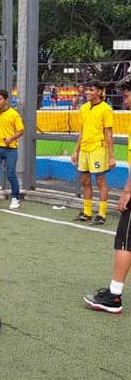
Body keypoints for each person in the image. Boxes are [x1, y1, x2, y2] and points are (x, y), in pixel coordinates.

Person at [83, 78, 131, 314]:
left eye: (127, 95)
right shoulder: (84, 109)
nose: (126, 100)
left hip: (100, 153)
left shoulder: (107, 112)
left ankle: (114, 296)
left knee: (125, 241)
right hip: (86, 149)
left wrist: (127, 192)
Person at [71, 80, 114, 225]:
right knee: (85, 180)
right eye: (87, 90)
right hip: (84, 149)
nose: (88, 92)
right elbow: (81, 131)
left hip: (98, 148)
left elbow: (108, 133)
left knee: (100, 180)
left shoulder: (105, 109)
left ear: (100, 92)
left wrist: (111, 156)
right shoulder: (83, 108)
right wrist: (76, 150)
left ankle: (101, 214)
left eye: (92, 90)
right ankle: (87, 212)